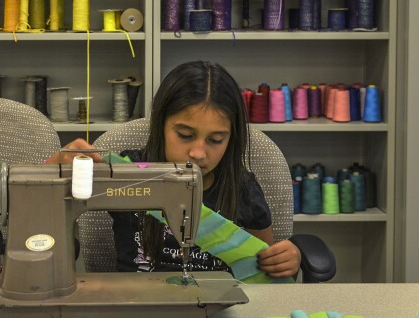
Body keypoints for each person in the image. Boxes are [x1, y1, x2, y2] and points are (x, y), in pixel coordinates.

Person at [49, 60, 301, 279]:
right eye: (184, 135)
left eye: (215, 140)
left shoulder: (240, 188)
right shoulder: (126, 173)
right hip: (136, 307)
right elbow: (40, 206)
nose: (199, 153)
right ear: (160, 125)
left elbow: (265, 267)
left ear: (231, 138)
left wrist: (286, 260)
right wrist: (55, 170)